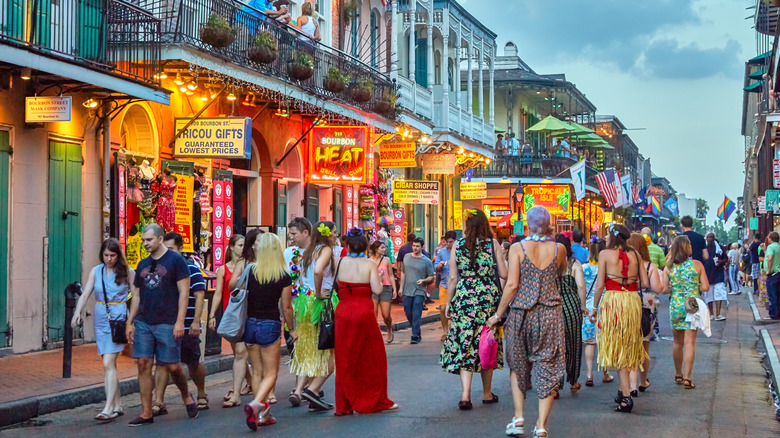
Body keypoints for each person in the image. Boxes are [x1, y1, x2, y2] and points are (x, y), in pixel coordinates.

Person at [487, 206, 567, 437]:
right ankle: (541, 425)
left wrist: (497, 314)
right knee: (548, 366)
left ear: (528, 225)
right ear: (549, 224)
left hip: (522, 314)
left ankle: (519, 416)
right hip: (551, 314)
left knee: (518, 365)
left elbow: (512, 285)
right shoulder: (558, 249)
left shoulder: (517, 248)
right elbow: (559, 273)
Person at [125, 224, 197, 426]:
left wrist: (180, 321)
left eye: (148, 240)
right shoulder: (142, 264)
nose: (145, 243)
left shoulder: (176, 261)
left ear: (159, 238)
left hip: (168, 321)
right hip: (144, 321)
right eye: (143, 240)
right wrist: (130, 321)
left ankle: (186, 395)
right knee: (143, 364)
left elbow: (184, 292)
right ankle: (146, 412)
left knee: (173, 366)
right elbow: (137, 295)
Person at [441, 210, 507, 410]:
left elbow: (453, 278)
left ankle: (465, 395)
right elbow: (503, 273)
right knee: (487, 342)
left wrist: (449, 303)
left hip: (464, 297)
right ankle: (487, 393)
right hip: (487, 299)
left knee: (465, 344)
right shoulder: (492, 244)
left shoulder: (458, 246)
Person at [333, 228, 398, 415]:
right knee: (371, 357)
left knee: (345, 358)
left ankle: (345, 403)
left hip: (344, 311)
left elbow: (334, 283)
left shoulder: (339, 262)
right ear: (364, 245)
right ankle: (371, 398)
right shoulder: (369, 264)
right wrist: (377, 277)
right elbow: (377, 290)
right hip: (363, 312)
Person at [71, 238, 135, 422]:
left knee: (109, 363)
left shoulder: (127, 272)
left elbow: (137, 295)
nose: (109, 259)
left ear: (118, 255)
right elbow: (85, 294)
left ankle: (108, 408)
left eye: (112, 255)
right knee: (109, 365)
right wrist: (77, 312)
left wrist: (132, 320)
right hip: (101, 317)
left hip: (118, 318)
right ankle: (117, 404)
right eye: (106, 255)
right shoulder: (96, 271)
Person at [589, 223, 649, 414]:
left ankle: (626, 397)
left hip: (613, 301)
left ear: (613, 237)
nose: (605, 238)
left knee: (617, 347)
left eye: (607, 235)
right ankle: (621, 389)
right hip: (631, 302)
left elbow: (599, 286)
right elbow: (645, 282)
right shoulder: (636, 255)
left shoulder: (605, 255)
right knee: (628, 345)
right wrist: (629, 282)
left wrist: (593, 308)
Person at [241, 233, 295, 430]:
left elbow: (236, 290)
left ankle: (263, 412)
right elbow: (286, 307)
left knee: (257, 370)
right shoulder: (283, 275)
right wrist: (292, 329)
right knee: (271, 372)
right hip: (269, 323)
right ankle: (257, 405)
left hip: (250, 323)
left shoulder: (250, 270)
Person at [284, 221, 338, 412]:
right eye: (335, 233)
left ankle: (299, 390)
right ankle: (313, 389)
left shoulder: (307, 252)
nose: (336, 237)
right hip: (320, 303)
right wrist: (317, 292)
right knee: (329, 349)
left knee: (306, 348)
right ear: (327, 235)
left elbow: (299, 278)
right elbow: (318, 271)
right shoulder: (324, 250)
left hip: (302, 303)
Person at [154, 233, 208, 414]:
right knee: (161, 363)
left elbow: (199, 295)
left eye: (170, 250)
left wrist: (195, 322)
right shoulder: (159, 270)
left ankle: (201, 393)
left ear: (180, 249)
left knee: (193, 363)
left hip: (186, 326)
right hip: (165, 326)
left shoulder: (191, 269)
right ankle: (159, 402)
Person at [208, 234, 252, 406]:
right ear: (232, 247)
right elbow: (218, 293)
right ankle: (249, 383)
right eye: (240, 245)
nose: (243, 248)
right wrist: (212, 314)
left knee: (241, 353)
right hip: (230, 314)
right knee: (238, 353)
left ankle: (236, 391)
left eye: (244, 245)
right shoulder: (223, 269)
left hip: (246, 312)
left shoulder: (248, 266)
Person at [660, 235, 709, 390]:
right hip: (691, 301)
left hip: (676, 303)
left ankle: (678, 373)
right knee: (689, 343)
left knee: (677, 342)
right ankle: (688, 377)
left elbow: (663, 289)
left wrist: (675, 288)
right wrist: (694, 287)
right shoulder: (696, 265)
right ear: (686, 247)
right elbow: (706, 287)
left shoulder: (669, 267)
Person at [222, 231, 262, 407]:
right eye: (259, 241)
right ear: (253, 244)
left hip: (261, 311)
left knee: (261, 354)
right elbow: (231, 285)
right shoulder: (243, 262)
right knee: (240, 353)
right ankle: (236, 393)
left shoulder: (268, 262)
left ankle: (265, 393)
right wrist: (243, 278)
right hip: (243, 310)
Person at [626, 233, 663, 398]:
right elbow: (658, 287)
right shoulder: (650, 266)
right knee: (645, 347)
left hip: (629, 302)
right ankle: (642, 381)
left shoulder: (626, 263)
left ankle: (629, 382)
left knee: (629, 345)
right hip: (647, 306)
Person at [282, 217, 314, 407]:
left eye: (294, 234)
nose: (291, 238)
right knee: (293, 346)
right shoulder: (288, 253)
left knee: (309, 345)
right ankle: (306, 383)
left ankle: (300, 387)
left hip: (311, 305)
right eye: (289, 234)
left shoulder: (317, 252)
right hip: (292, 307)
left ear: (305, 233)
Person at [554, 233, 588, 395]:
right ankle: (573, 381)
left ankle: (555, 384)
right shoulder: (574, 264)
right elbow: (581, 287)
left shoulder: (549, 264)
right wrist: (583, 306)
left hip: (553, 307)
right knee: (573, 344)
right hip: (572, 307)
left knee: (555, 346)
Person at [580, 240, 613, 387]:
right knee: (604, 341)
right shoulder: (607, 268)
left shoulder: (584, 267)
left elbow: (579, 287)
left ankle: (589, 374)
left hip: (588, 305)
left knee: (589, 342)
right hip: (604, 304)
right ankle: (605, 373)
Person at [400, 237, 435, 344]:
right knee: (408, 311)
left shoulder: (426, 261)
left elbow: (431, 277)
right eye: (414, 246)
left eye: (417, 246)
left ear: (422, 247)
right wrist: (401, 287)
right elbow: (403, 273)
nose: (415, 248)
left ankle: (415, 335)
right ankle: (417, 330)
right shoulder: (406, 257)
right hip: (407, 289)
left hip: (419, 291)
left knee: (416, 312)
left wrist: (424, 280)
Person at [369, 240, 397, 343]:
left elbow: (390, 275)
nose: (384, 250)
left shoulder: (387, 260)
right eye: (382, 248)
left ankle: (389, 328)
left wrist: (394, 288)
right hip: (373, 288)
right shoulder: (369, 260)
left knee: (386, 315)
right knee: (373, 313)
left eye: (385, 247)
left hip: (386, 287)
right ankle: (376, 334)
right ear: (376, 249)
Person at [435, 231, 457, 342]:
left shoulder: (459, 251)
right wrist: (439, 265)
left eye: (451, 242)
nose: (449, 244)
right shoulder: (442, 252)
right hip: (444, 284)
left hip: (457, 285)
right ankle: (445, 330)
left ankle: (454, 330)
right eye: (447, 242)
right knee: (443, 308)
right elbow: (436, 266)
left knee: (455, 310)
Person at [702, 234, 728, 321]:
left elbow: (726, 258)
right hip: (707, 273)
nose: (709, 239)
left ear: (714, 238)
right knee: (708, 294)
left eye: (711, 237)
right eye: (708, 237)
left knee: (719, 293)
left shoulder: (720, 248)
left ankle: (718, 314)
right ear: (706, 238)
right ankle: (711, 314)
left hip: (718, 273)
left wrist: (720, 261)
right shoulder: (704, 248)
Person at [764, 232, 780, 320]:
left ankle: (773, 314)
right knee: (778, 294)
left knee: (772, 294)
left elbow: (770, 258)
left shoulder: (770, 247)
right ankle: (778, 313)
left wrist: (769, 270)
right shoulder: (779, 246)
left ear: (770, 238)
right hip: (778, 272)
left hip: (772, 273)